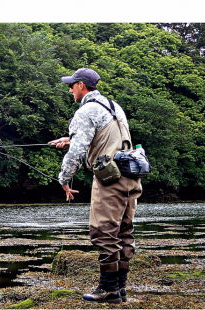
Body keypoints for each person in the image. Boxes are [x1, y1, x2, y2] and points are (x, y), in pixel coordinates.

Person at [48, 68, 142, 304]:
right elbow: (107, 135)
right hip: (132, 175)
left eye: (72, 85)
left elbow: (77, 153)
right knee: (124, 231)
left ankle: (108, 290)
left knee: (103, 232)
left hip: (109, 179)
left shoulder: (85, 110)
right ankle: (120, 289)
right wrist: (69, 137)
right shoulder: (114, 106)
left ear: (81, 85)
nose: (70, 90)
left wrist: (64, 179)